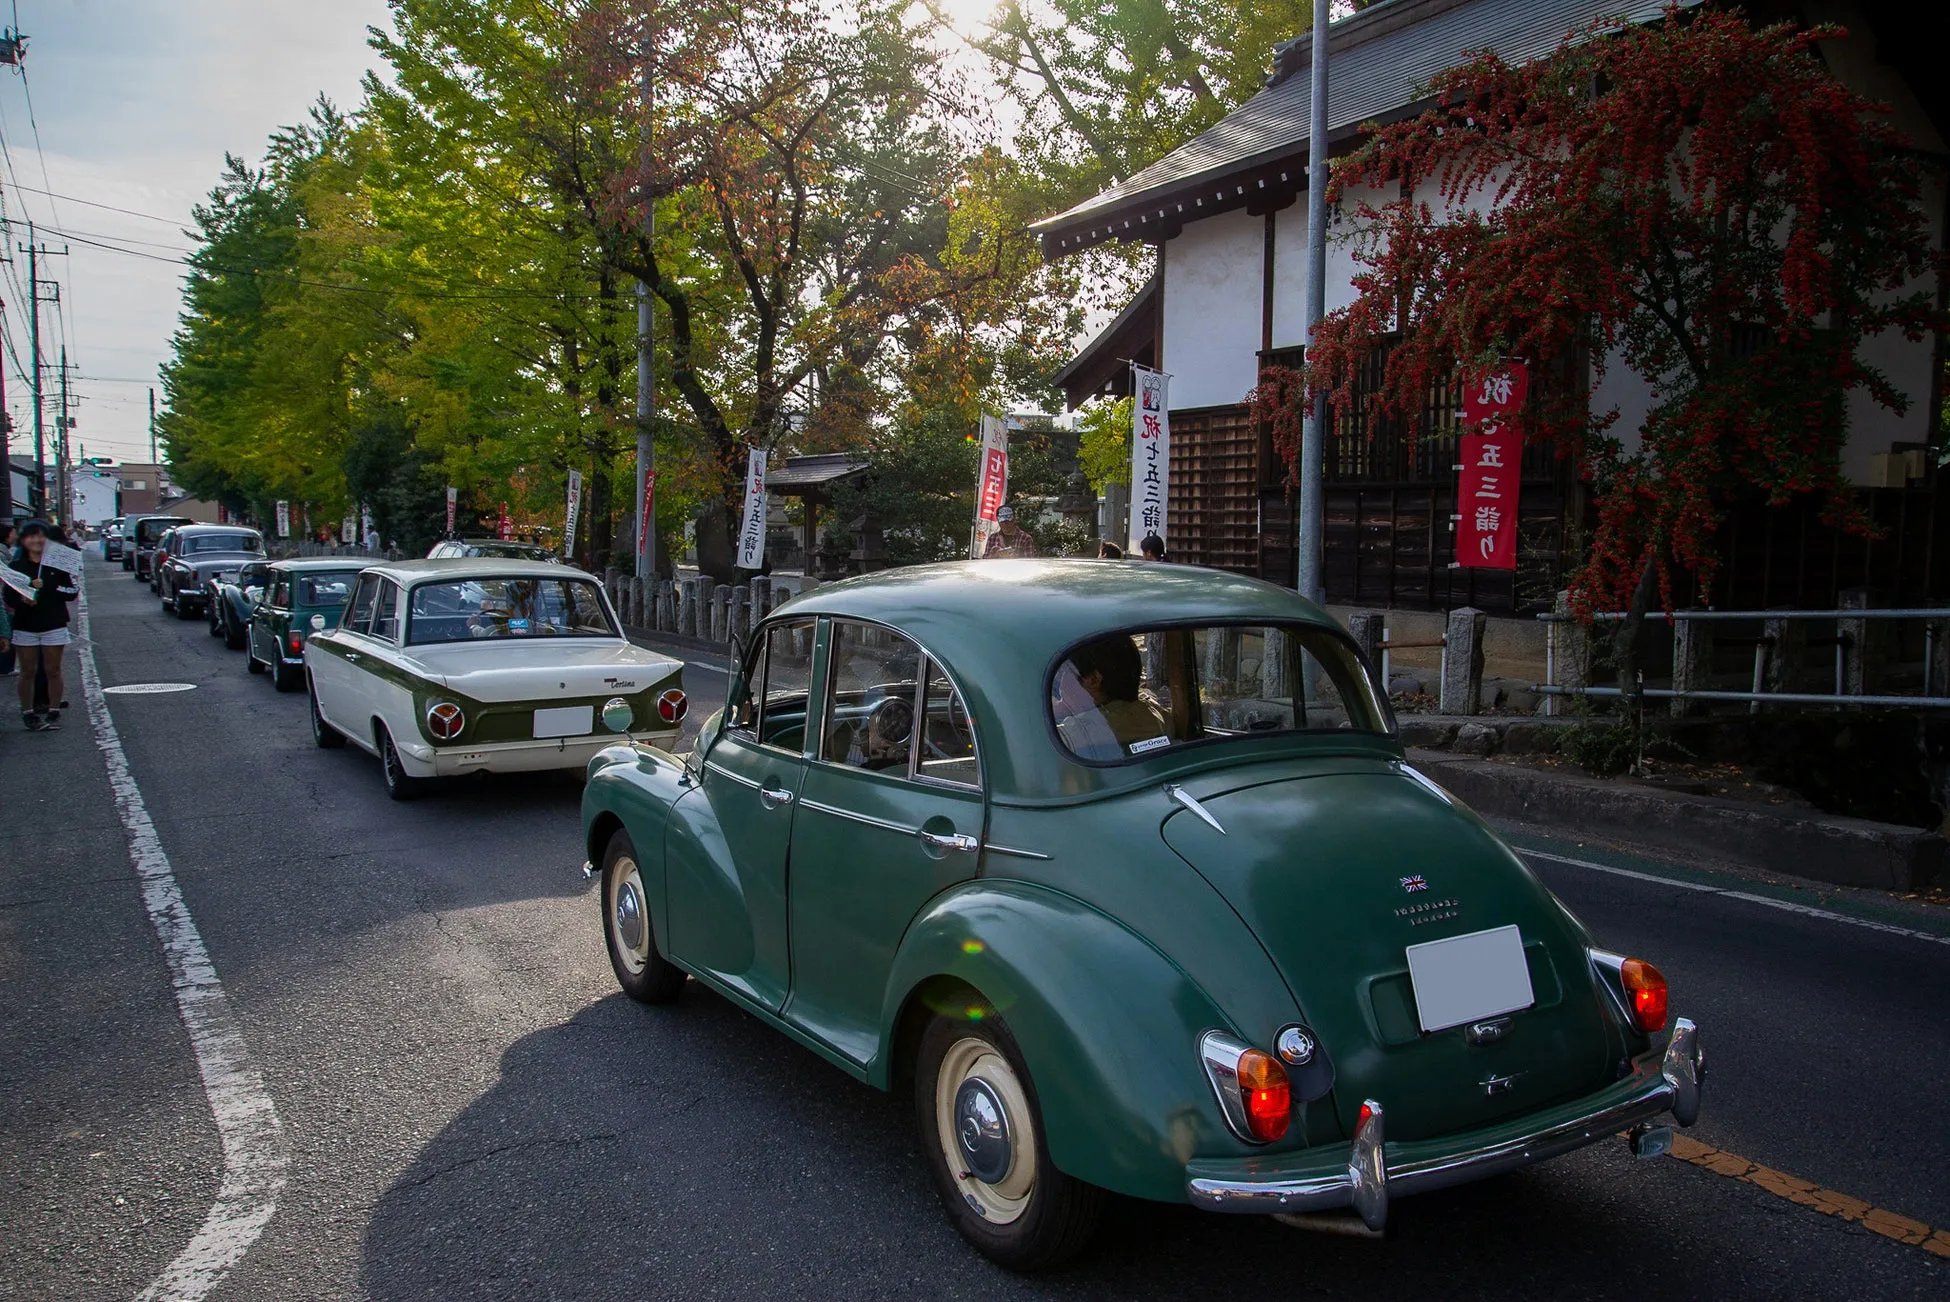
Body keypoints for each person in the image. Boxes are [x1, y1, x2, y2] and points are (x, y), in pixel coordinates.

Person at [5, 520, 78, 731]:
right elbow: (9, 598)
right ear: (23, 540)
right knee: (27, 670)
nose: (36, 540)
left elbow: (71, 592)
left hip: (53, 623)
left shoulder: (57, 563)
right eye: (30, 536)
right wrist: (24, 598)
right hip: (25, 625)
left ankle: (54, 710)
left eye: (40, 536)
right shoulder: (16, 567)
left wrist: (50, 587)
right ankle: (28, 711)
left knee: (53, 669)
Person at [1052, 633, 1169, 759]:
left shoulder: (1083, 730)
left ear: (1093, 679)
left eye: (1063, 673)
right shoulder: (1149, 708)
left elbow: (1042, 741)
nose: (1060, 684)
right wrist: (1067, 706)